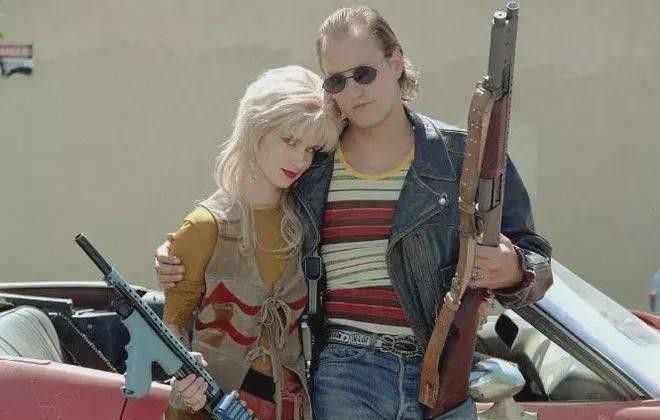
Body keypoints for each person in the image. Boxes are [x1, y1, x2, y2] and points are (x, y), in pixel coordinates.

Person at [157, 6, 553, 420]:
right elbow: (244, 208)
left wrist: (514, 269)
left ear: (396, 62)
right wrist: (180, 250)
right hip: (345, 374)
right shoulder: (313, 164)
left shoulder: (461, 158)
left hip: (441, 377)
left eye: (364, 73)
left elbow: (536, 260)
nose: (353, 90)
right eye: (336, 81)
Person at [161, 65, 341, 420]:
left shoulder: (307, 225)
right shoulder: (205, 225)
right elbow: (172, 328)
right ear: (256, 128)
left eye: (310, 148)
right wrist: (183, 375)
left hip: (291, 406)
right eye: (289, 141)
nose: (300, 160)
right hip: (210, 408)